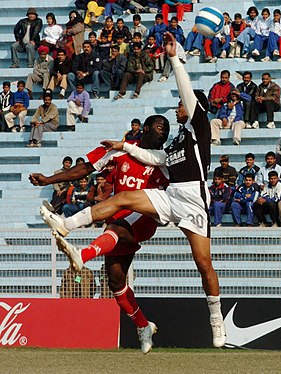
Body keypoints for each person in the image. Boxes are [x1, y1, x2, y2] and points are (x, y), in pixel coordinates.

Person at [38, 32, 227, 349]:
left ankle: (217, 321)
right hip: (171, 197)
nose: (178, 107)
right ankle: (66, 225)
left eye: (182, 104)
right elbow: (157, 158)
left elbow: (186, 92)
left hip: (194, 200)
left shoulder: (199, 126)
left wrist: (174, 58)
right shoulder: (180, 138)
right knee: (121, 199)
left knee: (203, 263)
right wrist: (123, 145)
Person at [30, 114, 170, 353]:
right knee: (115, 280)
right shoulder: (118, 152)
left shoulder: (163, 159)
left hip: (146, 218)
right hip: (118, 217)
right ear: (145, 129)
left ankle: (81, 255)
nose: (164, 133)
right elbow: (85, 168)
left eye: (166, 130)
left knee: (117, 227)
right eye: (159, 128)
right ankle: (143, 326)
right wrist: (49, 180)